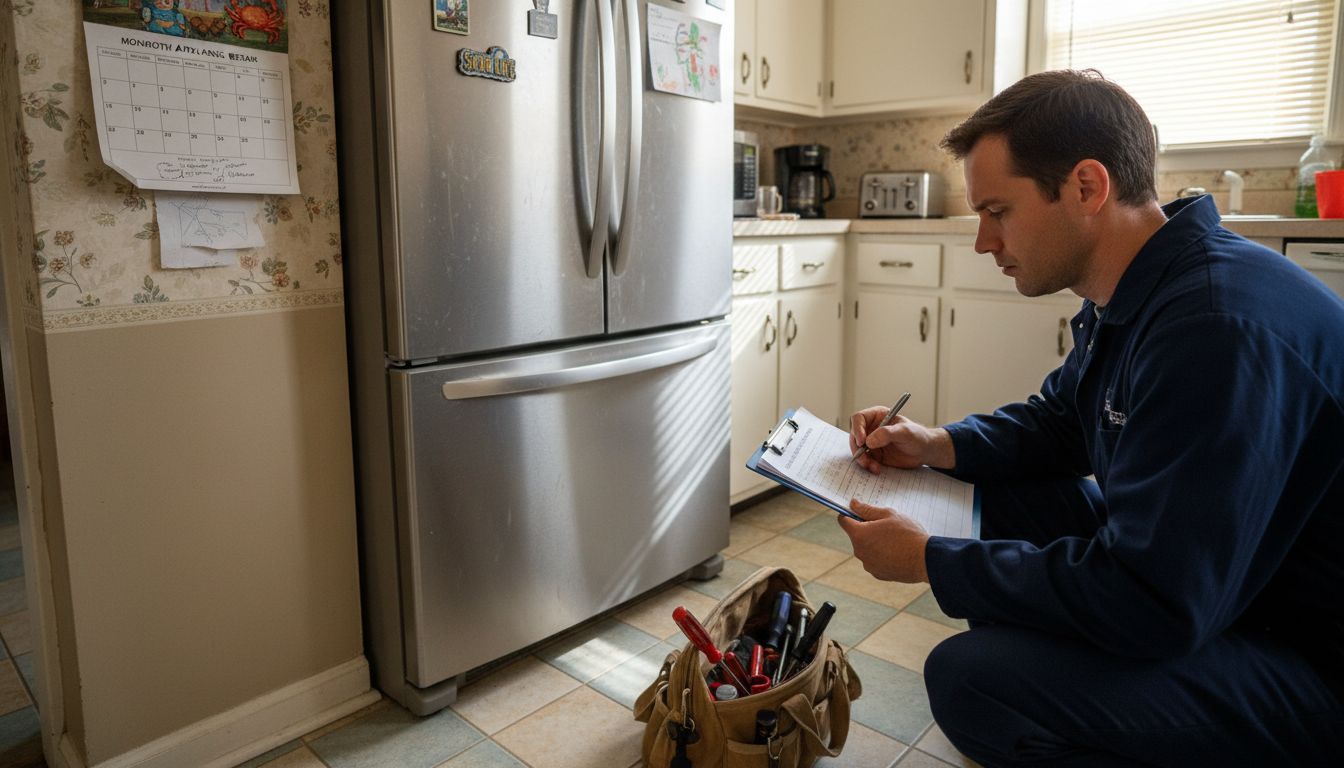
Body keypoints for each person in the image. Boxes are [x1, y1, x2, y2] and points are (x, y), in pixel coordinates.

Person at [839, 69, 1344, 766]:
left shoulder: (1213, 327)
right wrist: (934, 444)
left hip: (1307, 651)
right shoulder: (1147, 287)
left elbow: (1153, 597)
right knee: (1015, 512)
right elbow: (1063, 423)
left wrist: (932, 559)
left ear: (1086, 187)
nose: (983, 241)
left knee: (973, 681)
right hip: (1238, 584)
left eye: (997, 210)